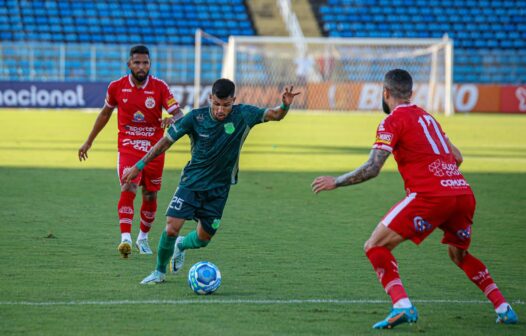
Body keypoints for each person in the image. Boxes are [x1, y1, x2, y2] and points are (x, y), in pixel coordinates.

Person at [311, 69, 518, 329]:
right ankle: (503, 306)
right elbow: (458, 157)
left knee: (375, 246)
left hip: (431, 196)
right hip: (462, 193)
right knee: (460, 255)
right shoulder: (428, 118)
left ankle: (402, 305)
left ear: (385, 93)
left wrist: (336, 181)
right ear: (411, 93)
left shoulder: (391, 121)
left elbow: (373, 167)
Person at [122, 78, 300, 284]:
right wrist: (138, 166)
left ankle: (181, 245)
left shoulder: (244, 114)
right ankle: (159, 273)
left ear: (234, 100)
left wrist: (285, 105)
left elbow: (275, 114)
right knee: (171, 226)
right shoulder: (195, 118)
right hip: (191, 183)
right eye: (216, 104)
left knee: (203, 239)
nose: (220, 110)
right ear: (210, 98)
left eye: (226, 105)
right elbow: (164, 144)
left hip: (219, 188)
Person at [78, 45, 182, 258]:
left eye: (145, 63)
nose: (141, 67)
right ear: (129, 64)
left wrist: (173, 119)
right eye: (137, 63)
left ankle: (142, 238)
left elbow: (179, 114)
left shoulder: (160, 87)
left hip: (154, 149)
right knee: (128, 185)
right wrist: (89, 141)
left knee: (150, 195)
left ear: (150, 64)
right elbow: (105, 114)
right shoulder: (116, 87)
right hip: (128, 146)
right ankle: (125, 238)